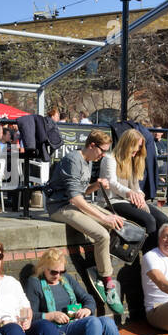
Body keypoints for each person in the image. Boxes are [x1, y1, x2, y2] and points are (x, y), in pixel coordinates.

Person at [46, 129, 127, 314]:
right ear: (92, 145)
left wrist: (96, 185)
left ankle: (99, 267)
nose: (103, 155)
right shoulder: (73, 160)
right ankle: (107, 283)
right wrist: (103, 216)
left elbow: (82, 192)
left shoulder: (88, 161)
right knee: (102, 235)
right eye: (102, 150)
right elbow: (74, 198)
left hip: (72, 203)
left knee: (118, 224)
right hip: (59, 207)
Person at [100, 128, 168, 250]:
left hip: (128, 200)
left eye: (140, 147)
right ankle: (149, 258)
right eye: (136, 147)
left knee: (163, 219)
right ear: (127, 145)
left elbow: (136, 187)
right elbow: (112, 183)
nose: (137, 150)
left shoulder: (133, 160)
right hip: (113, 201)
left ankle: (161, 253)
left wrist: (140, 196)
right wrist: (131, 193)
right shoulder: (110, 159)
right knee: (149, 220)